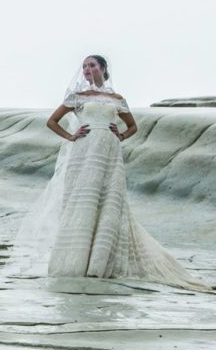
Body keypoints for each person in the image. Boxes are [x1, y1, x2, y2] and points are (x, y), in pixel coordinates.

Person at [12, 54, 213, 292]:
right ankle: (77, 260)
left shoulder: (117, 99)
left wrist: (120, 136)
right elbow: (52, 121)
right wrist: (71, 137)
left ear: (103, 68)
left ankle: (101, 259)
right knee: (80, 200)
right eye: (84, 66)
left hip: (109, 152)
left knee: (107, 200)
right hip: (83, 151)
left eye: (92, 65)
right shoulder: (77, 97)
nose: (87, 69)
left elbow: (133, 126)